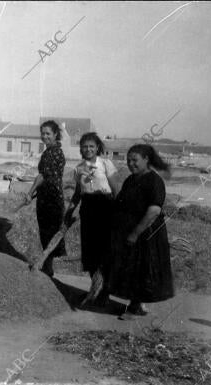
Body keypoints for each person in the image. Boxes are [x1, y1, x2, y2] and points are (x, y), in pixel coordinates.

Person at [109, 144, 174, 319]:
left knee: (142, 270)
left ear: (146, 160)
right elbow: (121, 202)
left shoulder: (154, 181)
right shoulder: (131, 180)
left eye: (135, 160)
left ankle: (134, 308)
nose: (131, 164)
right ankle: (137, 305)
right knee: (132, 269)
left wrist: (135, 233)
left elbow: (153, 211)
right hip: (131, 230)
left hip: (147, 233)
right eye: (128, 160)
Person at [65, 132, 118, 305]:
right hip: (88, 210)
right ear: (80, 148)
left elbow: (115, 189)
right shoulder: (78, 168)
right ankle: (95, 288)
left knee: (105, 251)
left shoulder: (105, 164)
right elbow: (77, 194)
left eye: (91, 146)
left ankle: (105, 294)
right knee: (90, 251)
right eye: (85, 146)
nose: (88, 149)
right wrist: (69, 211)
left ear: (97, 148)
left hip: (106, 209)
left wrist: (120, 210)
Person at [25, 120, 67, 277]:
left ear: (56, 134)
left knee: (49, 231)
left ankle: (47, 267)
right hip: (47, 195)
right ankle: (48, 266)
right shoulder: (50, 151)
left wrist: (30, 193)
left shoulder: (53, 152)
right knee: (46, 231)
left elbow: (42, 176)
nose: (44, 136)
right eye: (42, 133)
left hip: (51, 197)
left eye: (48, 133)